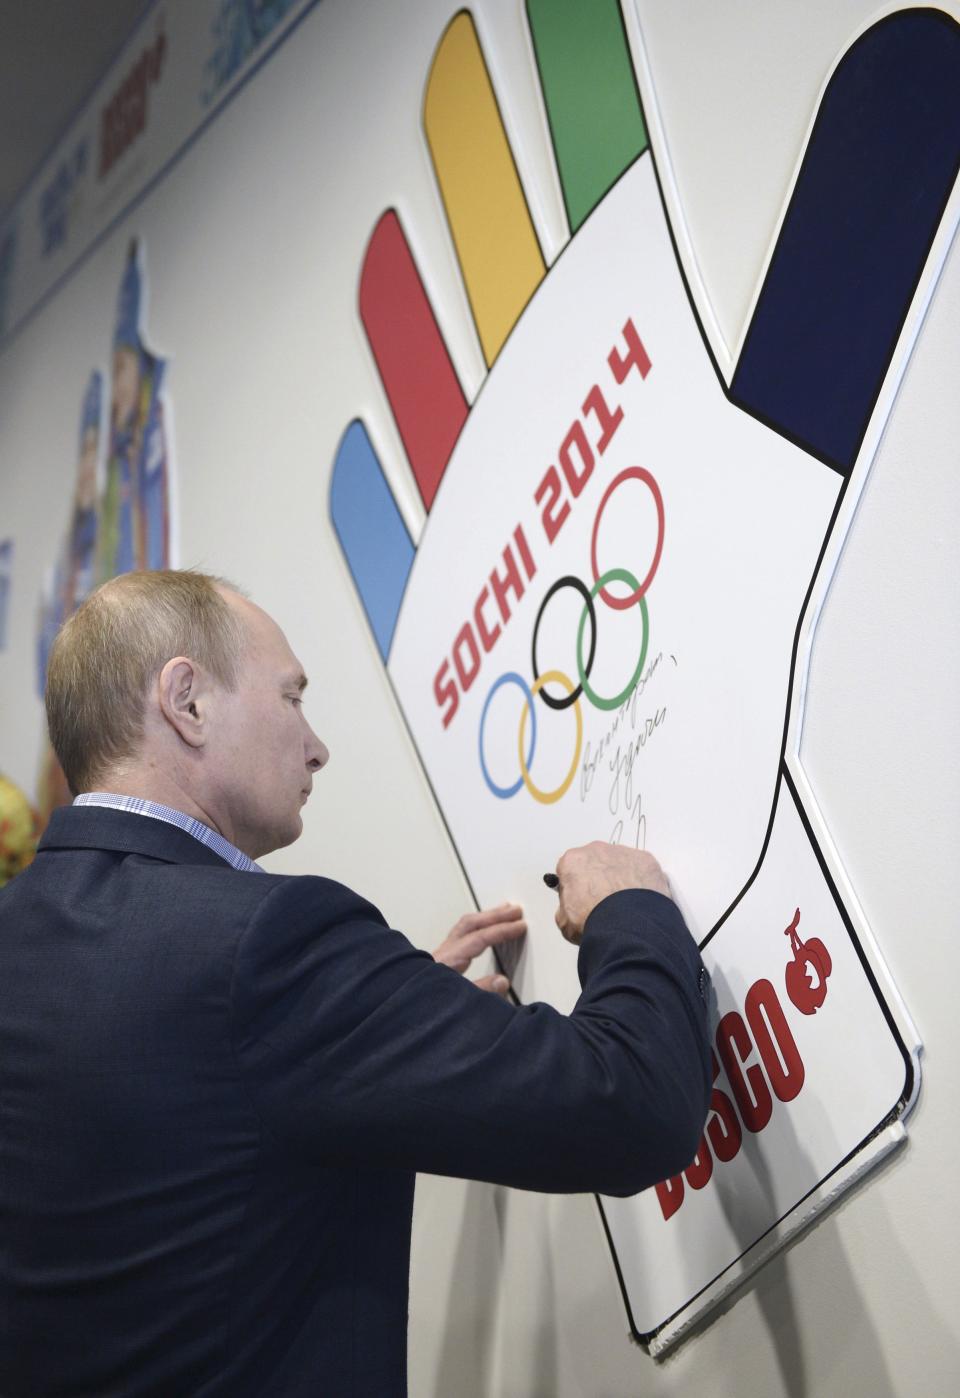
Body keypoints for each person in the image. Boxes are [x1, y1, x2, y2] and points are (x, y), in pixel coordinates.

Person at [0, 569, 711, 1397]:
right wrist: (628, 908)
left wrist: (387, 1009)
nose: (316, 745)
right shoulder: (262, 947)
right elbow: (630, 1104)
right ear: (187, 702)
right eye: (292, 696)